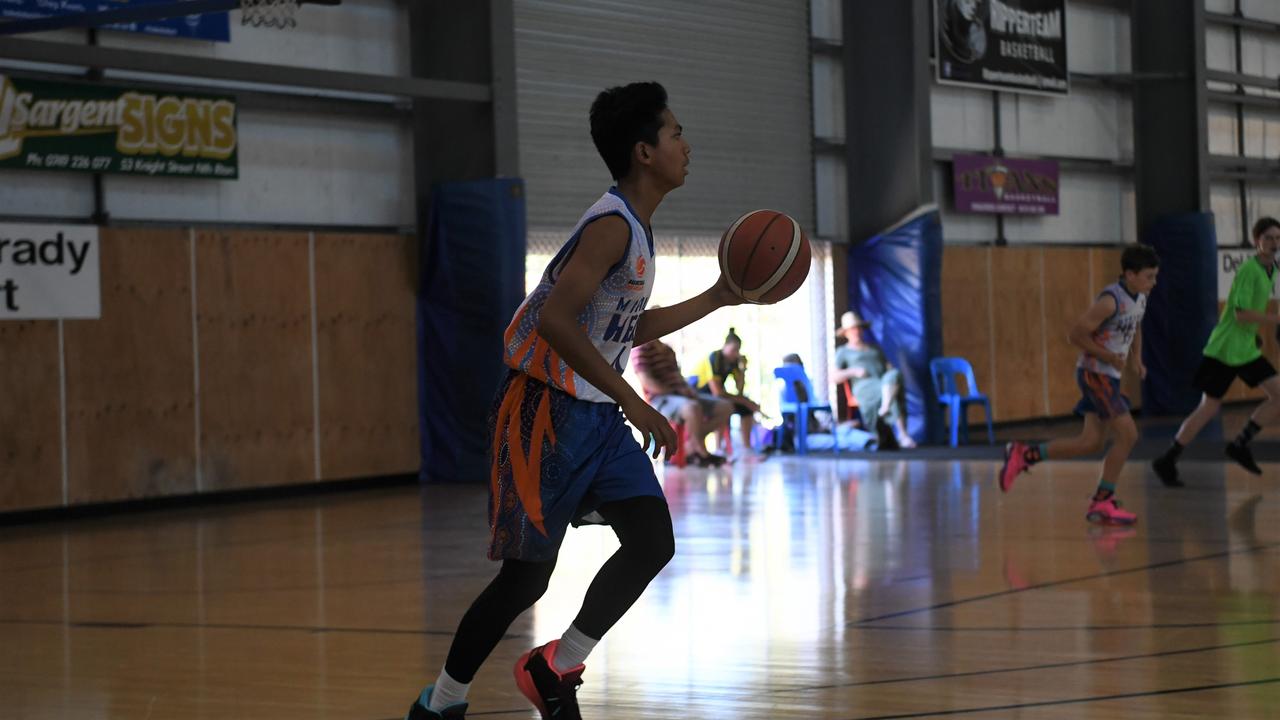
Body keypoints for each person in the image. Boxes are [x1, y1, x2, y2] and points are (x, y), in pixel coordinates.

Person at [406, 82, 745, 720]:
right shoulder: (612, 226)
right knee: (526, 579)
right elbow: (557, 322)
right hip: (543, 413)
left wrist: (718, 295)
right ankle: (441, 703)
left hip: (594, 414)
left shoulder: (637, 229)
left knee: (651, 541)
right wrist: (638, 403)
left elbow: (618, 328)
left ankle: (555, 663)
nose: (685, 145)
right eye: (675, 134)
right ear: (644, 152)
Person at [998, 244, 1160, 525]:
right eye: (1149, 277)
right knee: (1129, 435)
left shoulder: (1141, 298)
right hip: (1095, 373)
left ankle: (1025, 454)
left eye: (1155, 276)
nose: (1153, 283)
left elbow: (1136, 327)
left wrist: (1137, 359)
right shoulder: (1111, 300)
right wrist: (1109, 355)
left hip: (1108, 375)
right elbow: (1075, 335)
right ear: (1129, 274)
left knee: (1091, 442)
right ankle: (1102, 501)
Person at [1152, 217, 1280, 486]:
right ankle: (1168, 459)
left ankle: (1240, 444)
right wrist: (1273, 321)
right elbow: (1241, 312)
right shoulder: (1249, 270)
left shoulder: (1273, 269)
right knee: (1208, 407)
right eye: (1268, 238)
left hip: (1244, 349)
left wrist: (1255, 333)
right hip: (1224, 349)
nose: (1273, 243)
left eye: (1277, 238)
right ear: (1257, 241)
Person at [631, 337, 732, 466]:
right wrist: (676, 392)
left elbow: (677, 375)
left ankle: (690, 446)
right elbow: (647, 382)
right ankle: (701, 453)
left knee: (726, 407)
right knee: (692, 407)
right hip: (661, 398)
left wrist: (689, 391)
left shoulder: (667, 349)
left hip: (681, 394)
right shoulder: (640, 349)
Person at [830, 311, 916, 449]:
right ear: (846, 333)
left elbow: (888, 367)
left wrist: (892, 374)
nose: (856, 331)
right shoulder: (843, 352)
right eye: (852, 329)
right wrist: (853, 371)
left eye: (858, 328)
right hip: (864, 387)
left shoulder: (874, 348)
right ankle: (903, 434)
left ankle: (885, 407)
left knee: (893, 378)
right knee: (889, 391)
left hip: (883, 381)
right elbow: (834, 377)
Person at [693, 328, 762, 457]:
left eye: (737, 351)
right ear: (725, 346)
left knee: (746, 409)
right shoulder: (714, 358)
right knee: (724, 407)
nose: (735, 354)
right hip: (700, 394)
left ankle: (747, 448)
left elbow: (740, 389)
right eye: (733, 349)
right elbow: (717, 392)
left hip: (718, 396)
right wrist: (744, 401)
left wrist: (742, 370)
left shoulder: (734, 362)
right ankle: (719, 448)